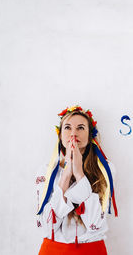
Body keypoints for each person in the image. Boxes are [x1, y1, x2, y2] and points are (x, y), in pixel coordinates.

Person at [35, 105, 118, 255]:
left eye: (80, 128)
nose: (73, 133)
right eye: (67, 128)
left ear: (90, 135)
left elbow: (95, 223)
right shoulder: (45, 171)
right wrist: (66, 174)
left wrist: (79, 174)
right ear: (60, 135)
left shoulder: (106, 170)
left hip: (91, 250)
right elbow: (48, 226)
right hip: (53, 250)